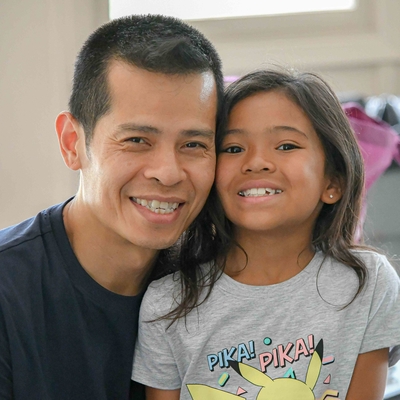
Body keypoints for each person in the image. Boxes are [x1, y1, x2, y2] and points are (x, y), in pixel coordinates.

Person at [132, 68, 400, 400]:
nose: (256, 162)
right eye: (232, 148)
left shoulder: (368, 283)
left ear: (333, 183)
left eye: (286, 146)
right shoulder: (168, 303)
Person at [0, 14, 223, 400]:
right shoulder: (8, 294)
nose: (168, 174)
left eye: (194, 144)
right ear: (72, 143)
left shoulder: (226, 283)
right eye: (137, 140)